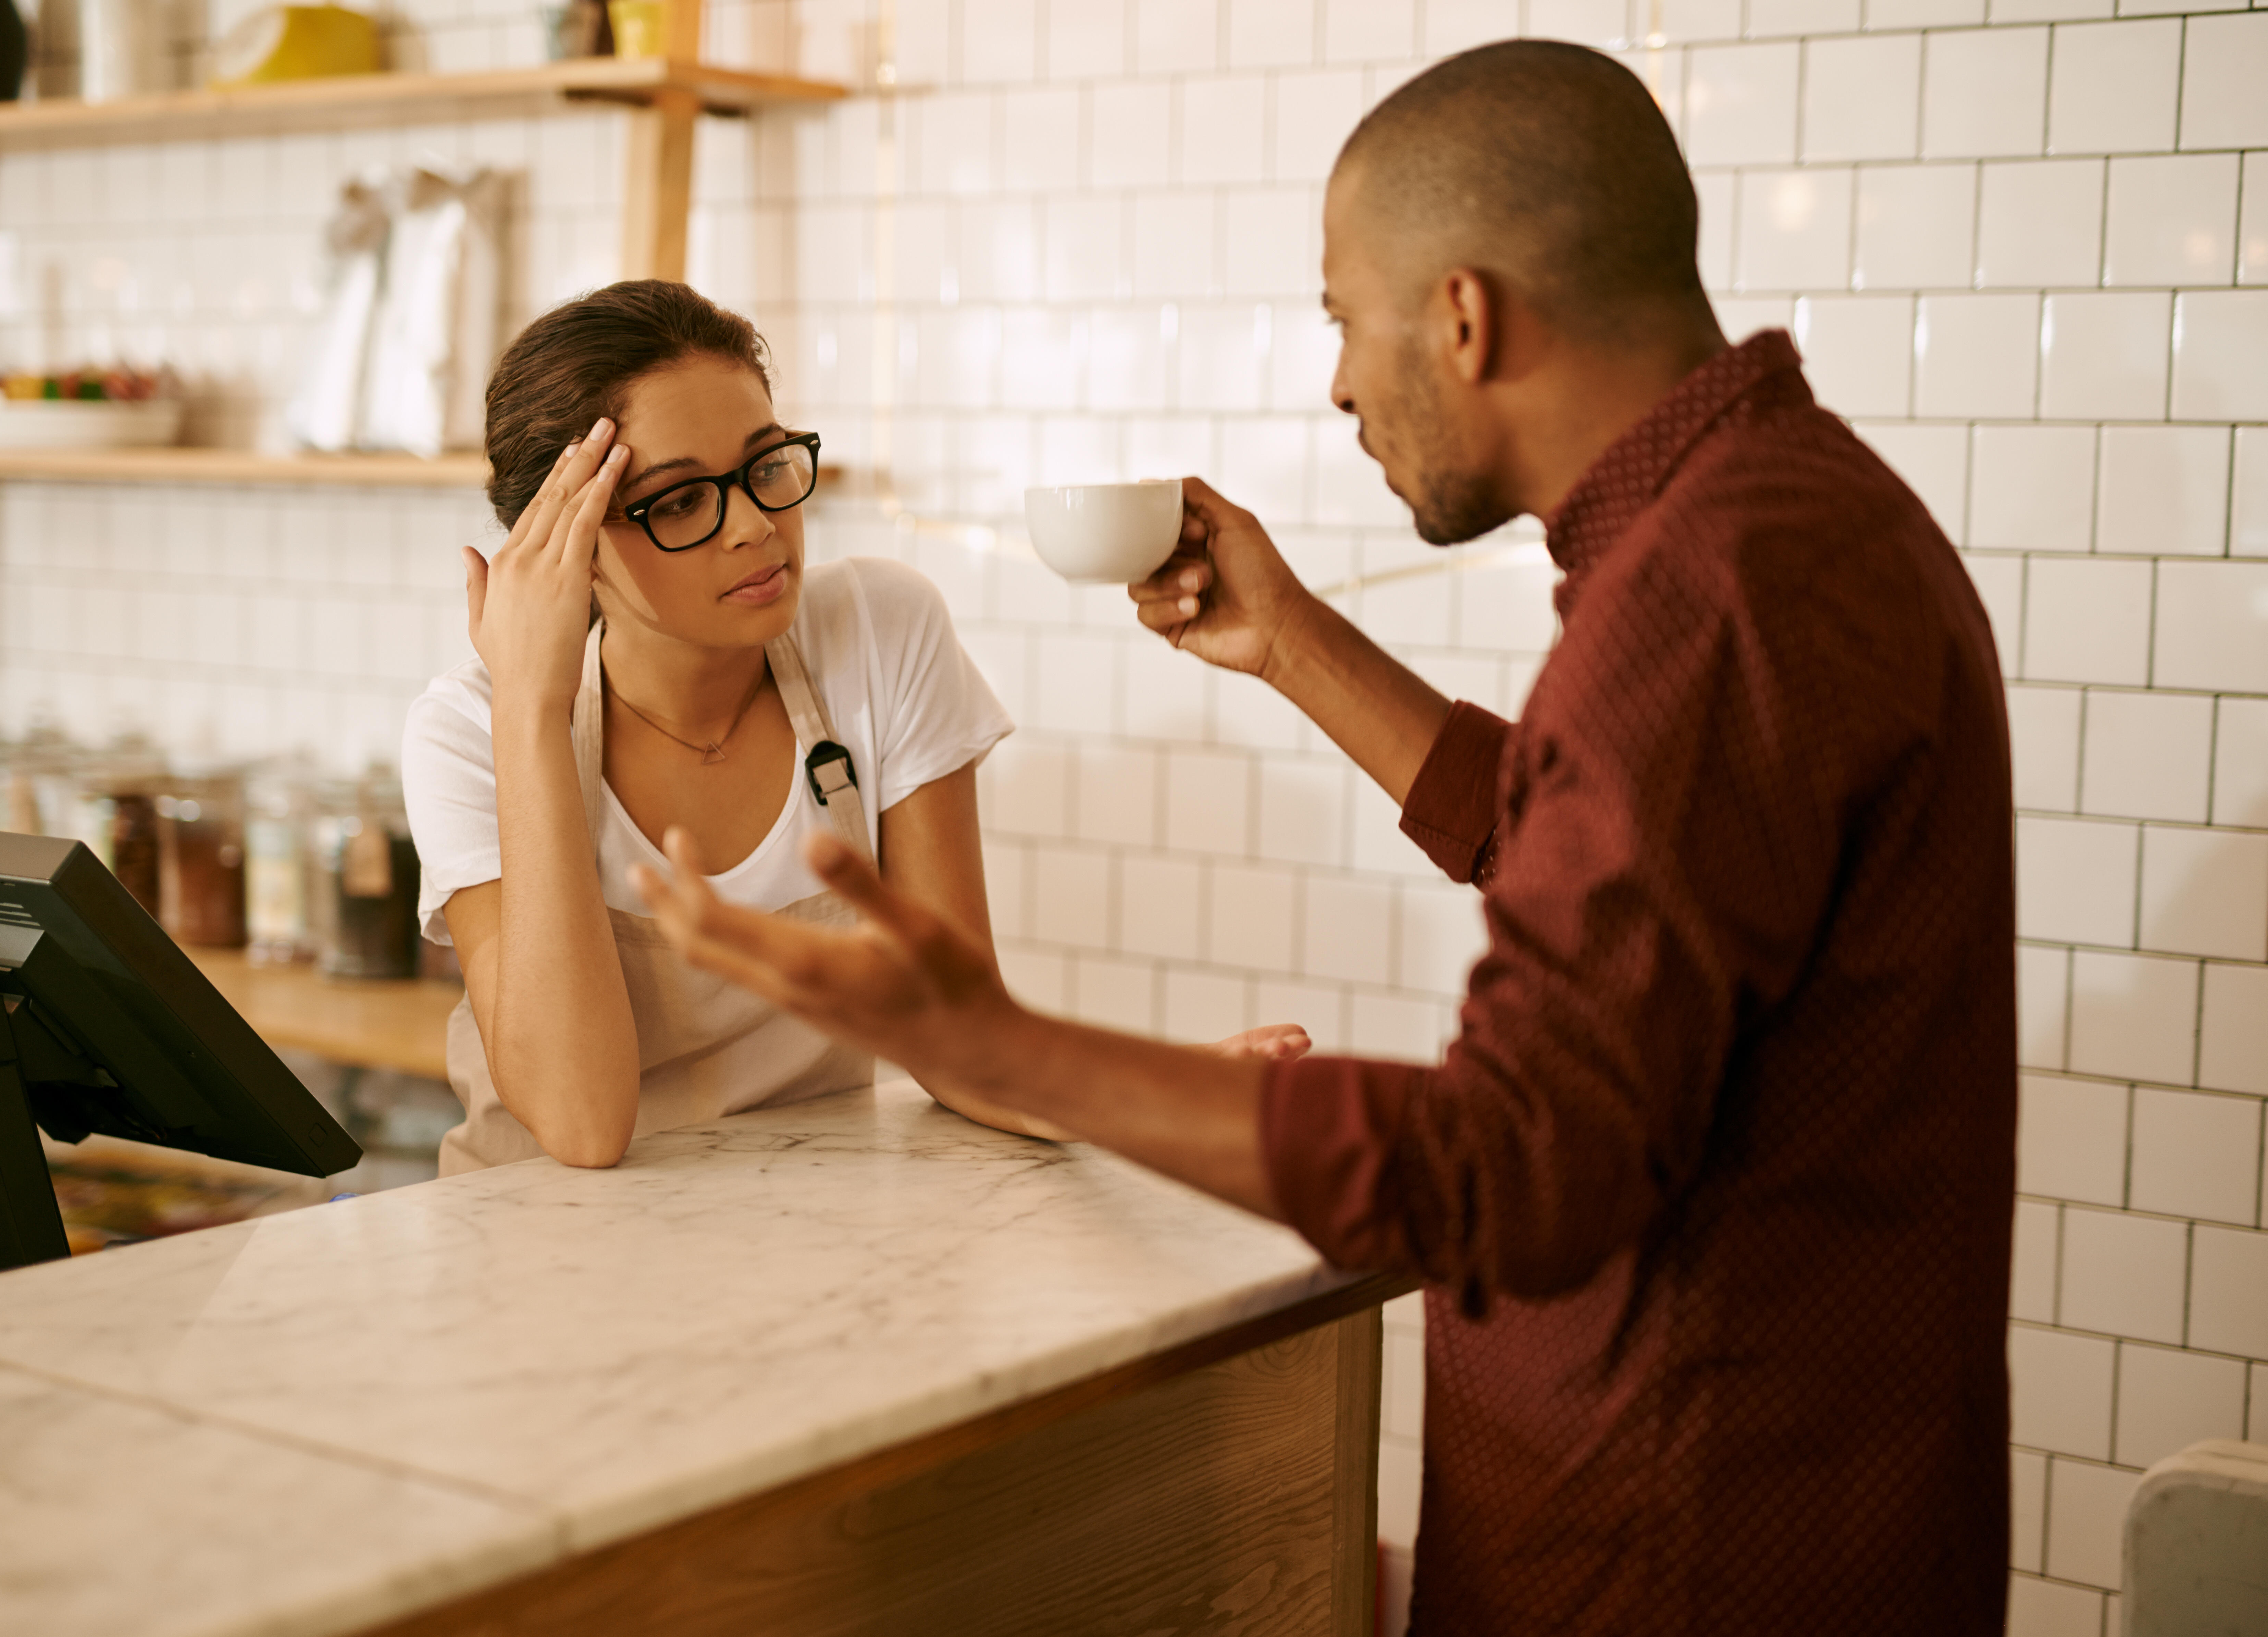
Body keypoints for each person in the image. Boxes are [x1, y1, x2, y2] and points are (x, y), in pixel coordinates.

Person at [632, 40, 2015, 1637]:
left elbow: (1511, 1169)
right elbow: (1626, 856)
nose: (1342, 381)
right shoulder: (1787, 513)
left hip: (1688, 1543)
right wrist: (1290, 641)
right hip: (1798, 1514)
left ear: (1466, 316)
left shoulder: (1705, 604)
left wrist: (1004, 1047)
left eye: (1344, 319)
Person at [406, 281, 1307, 1175]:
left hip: (805, 1224)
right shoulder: (471, 728)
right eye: (679, 500)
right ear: (563, 545)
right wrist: (532, 708)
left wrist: (1160, 1098)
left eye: (765, 466)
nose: (758, 527)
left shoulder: (878, 629)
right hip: (534, 1256)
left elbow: (960, 1036)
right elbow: (581, 1123)